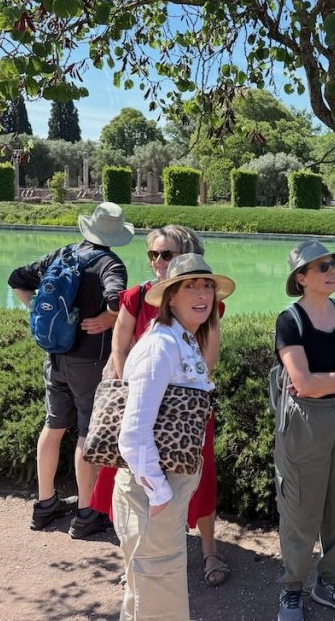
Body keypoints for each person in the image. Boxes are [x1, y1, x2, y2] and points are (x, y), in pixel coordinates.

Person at [89, 225, 231, 585]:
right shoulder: (138, 298)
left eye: (167, 254)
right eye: (153, 254)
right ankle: (137, 563)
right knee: (141, 484)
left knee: (199, 478)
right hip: (144, 403)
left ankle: (207, 551)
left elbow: (207, 361)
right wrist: (136, 390)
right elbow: (120, 345)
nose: (158, 261)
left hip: (187, 410)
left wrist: (180, 398)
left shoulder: (203, 305)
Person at [115, 253, 236, 620]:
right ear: (170, 298)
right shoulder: (161, 346)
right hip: (151, 492)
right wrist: (159, 492)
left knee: (148, 591)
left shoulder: (181, 340)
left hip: (160, 488)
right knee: (159, 593)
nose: (202, 294)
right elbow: (133, 432)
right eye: (190, 286)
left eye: (207, 286)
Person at [8, 201, 131, 537]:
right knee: (87, 432)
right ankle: (86, 513)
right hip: (89, 361)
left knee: (54, 425)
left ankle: (45, 504)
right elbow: (119, 299)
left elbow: (17, 279)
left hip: (55, 355)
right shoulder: (110, 264)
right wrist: (109, 318)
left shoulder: (63, 254)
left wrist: (37, 312)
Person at [273, 240, 335, 621]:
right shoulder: (290, 321)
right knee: (301, 509)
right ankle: (291, 589)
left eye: (332, 264)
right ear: (301, 278)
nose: (332, 270)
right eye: (322, 267)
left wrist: (327, 381)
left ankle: (330, 582)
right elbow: (303, 383)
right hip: (306, 423)